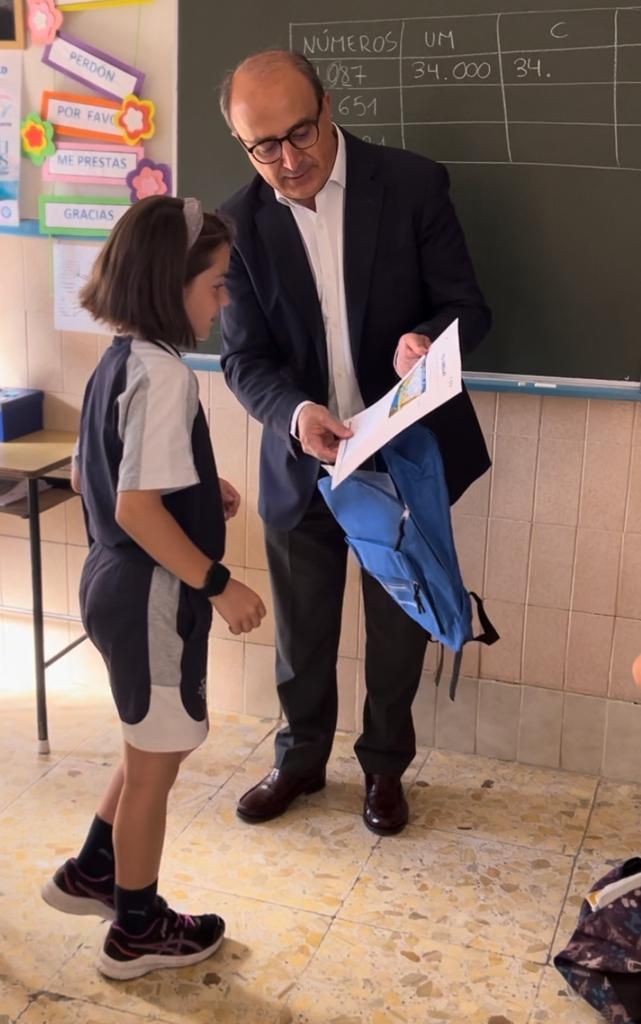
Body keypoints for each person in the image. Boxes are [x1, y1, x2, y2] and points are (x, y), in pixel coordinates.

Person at [219, 51, 491, 836]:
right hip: (302, 459)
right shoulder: (236, 225)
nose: (288, 159)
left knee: (398, 626)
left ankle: (383, 768)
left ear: (328, 106)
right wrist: (296, 412)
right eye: (263, 146)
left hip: (401, 458)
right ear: (242, 143)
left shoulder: (409, 185)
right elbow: (243, 359)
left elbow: (468, 307)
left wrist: (425, 341)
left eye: (300, 133)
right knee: (301, 634)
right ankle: (299, 761)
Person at [41, 195, 266, 979]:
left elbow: (92, 474)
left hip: (109, 581)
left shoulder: (120, 359)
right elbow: (138, 508)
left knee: (148, 748)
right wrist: (219, 582)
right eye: (215, 284)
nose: (224, 301)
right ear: (172, 285)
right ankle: (135, 929)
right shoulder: (167, 376)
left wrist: (199, 486)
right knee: (156, 766)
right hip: (152, 595)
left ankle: (93, 872)